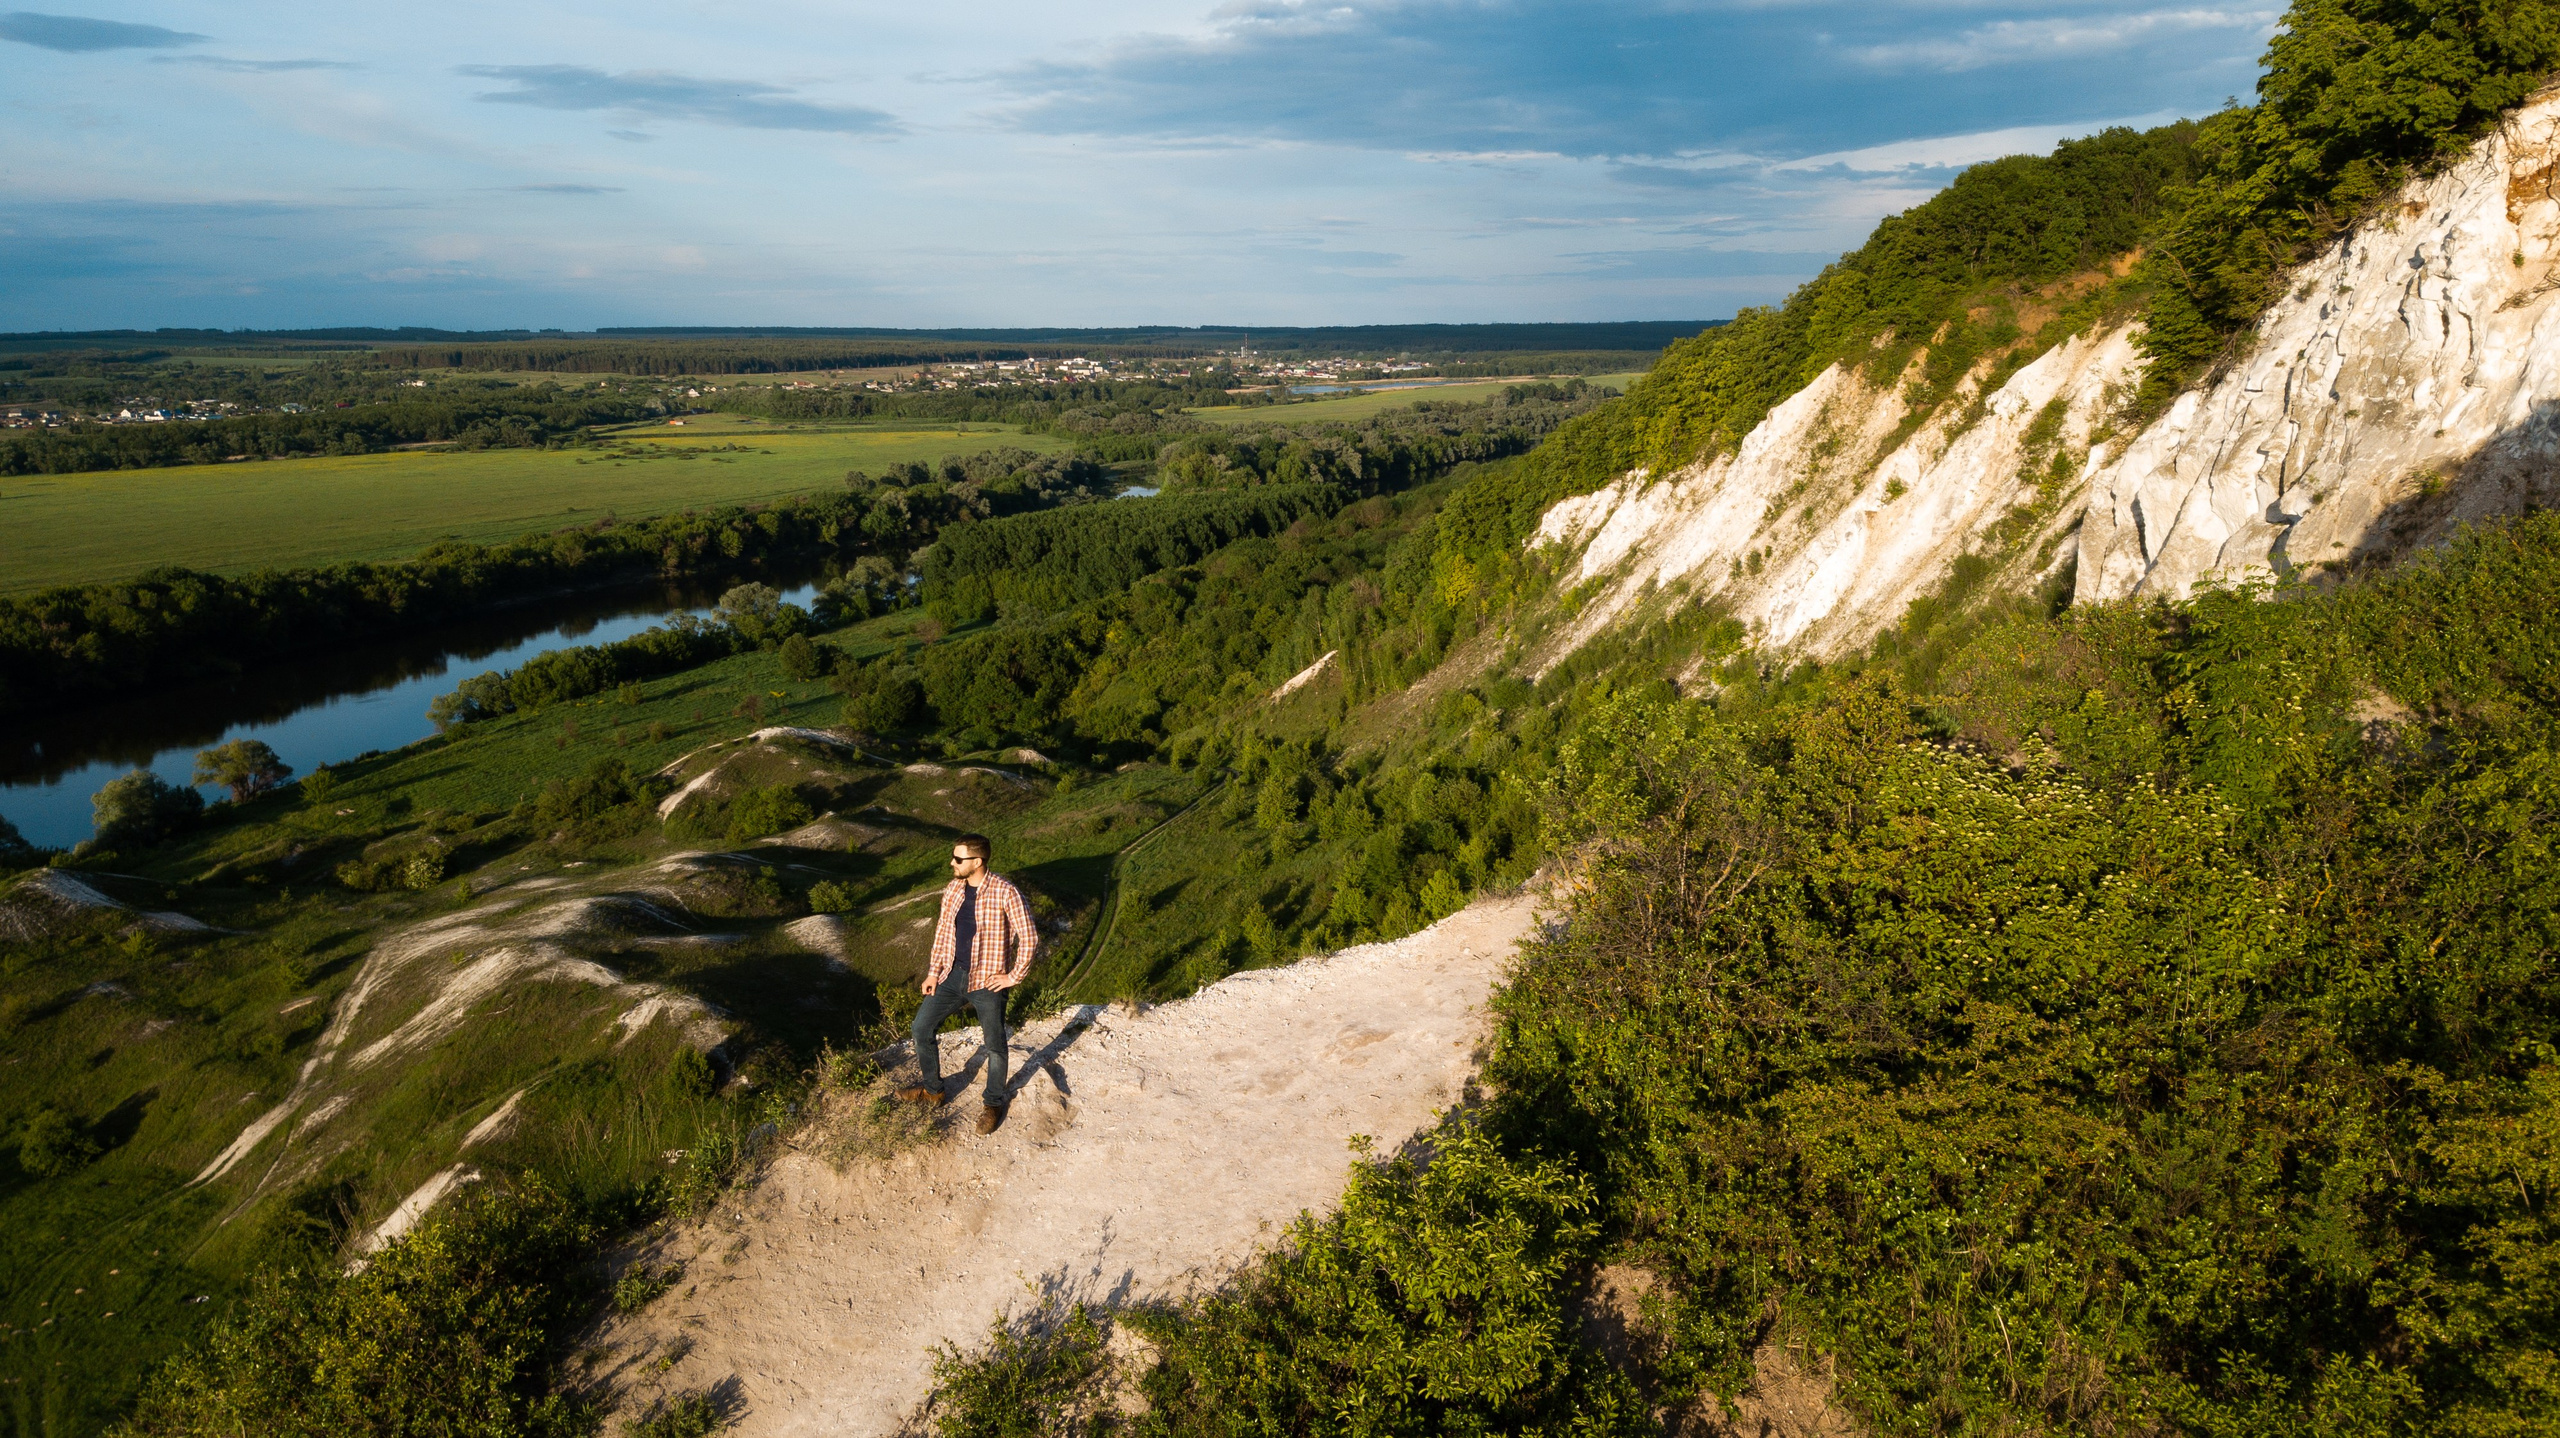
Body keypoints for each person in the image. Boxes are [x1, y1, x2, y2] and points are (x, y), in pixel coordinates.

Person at [897, 832, 1039, 1133]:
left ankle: (993, 1102)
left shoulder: (1005, 892)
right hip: (951, 975)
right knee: (921, 1028)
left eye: (958, 859)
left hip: (988, 981)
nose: (952, 863)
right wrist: (934, 972)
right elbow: (942, 934)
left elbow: (1029, 937)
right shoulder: (953, 889)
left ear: (977, 861)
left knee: (995, 1044)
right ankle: (933, 1091)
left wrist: (1013, 976)